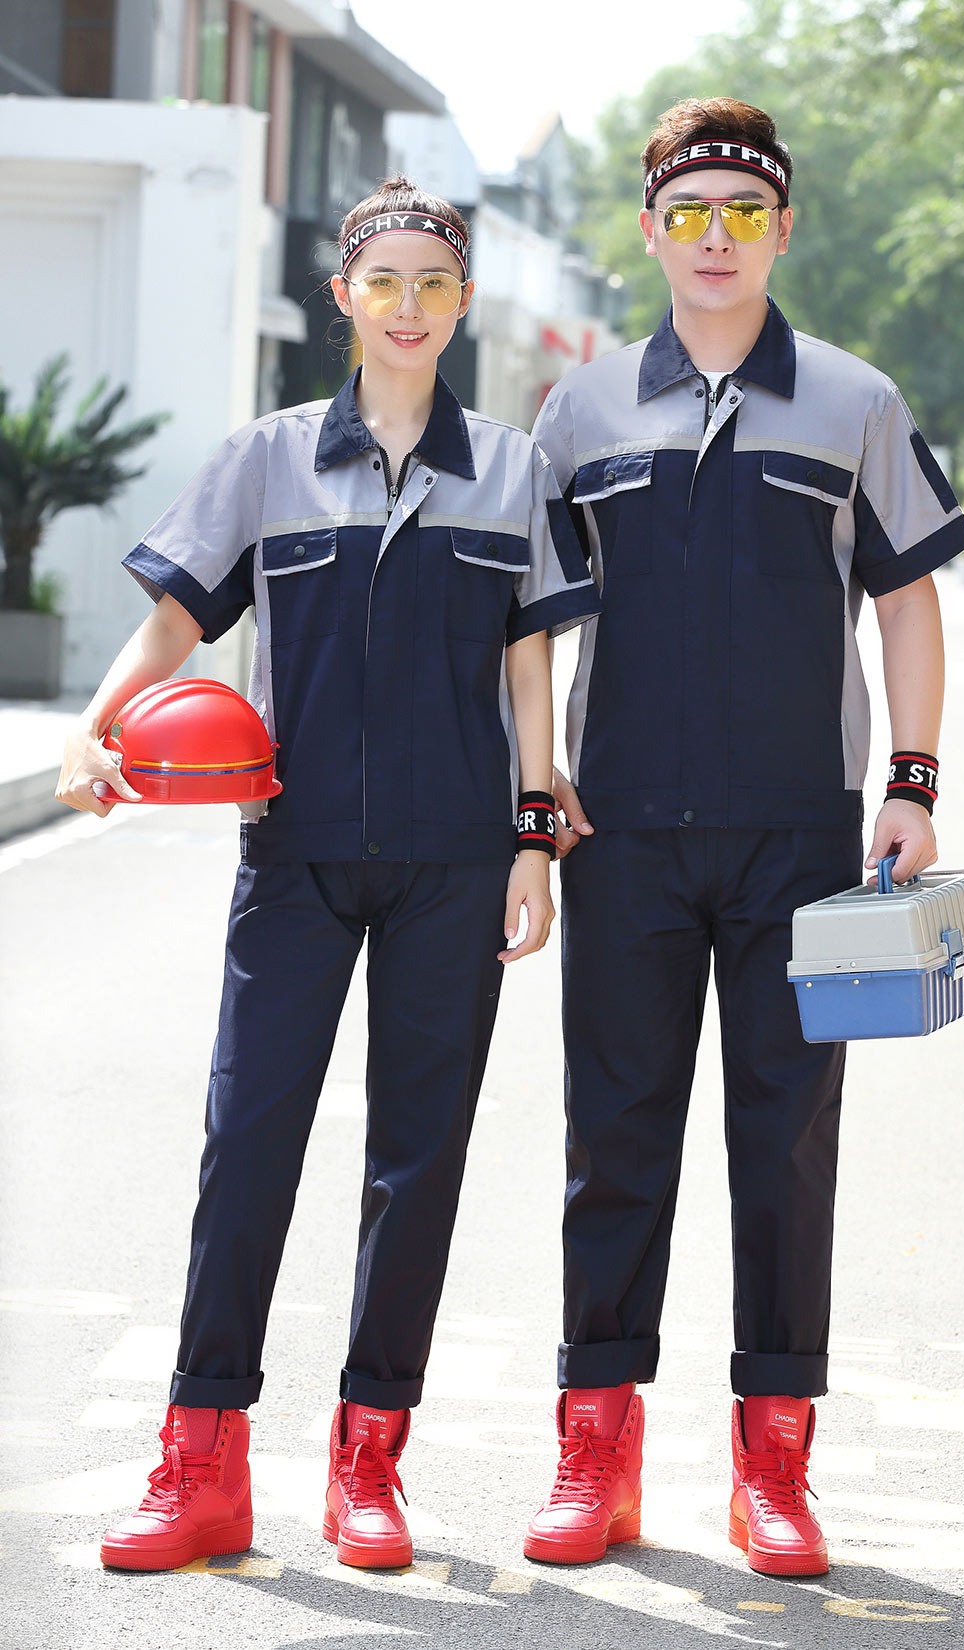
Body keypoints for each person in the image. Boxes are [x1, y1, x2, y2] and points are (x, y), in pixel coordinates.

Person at [56, 177, 599, 1574]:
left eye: (435, 282)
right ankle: (202, 1461)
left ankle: (370, 1461)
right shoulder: (267, 458)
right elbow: (175, 620)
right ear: (343, 297)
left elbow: (529, 660)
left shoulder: (512, 471)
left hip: (454, 859)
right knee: (248, 1140)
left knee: (417, 1160)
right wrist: (96, 722)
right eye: (385, 281)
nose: (409, 306)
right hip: (293, 857)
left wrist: (532, 837)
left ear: (463, 303)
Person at [523, 99, 964, 1576]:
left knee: (786, 1146)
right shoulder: (582, 411)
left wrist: (911, 783)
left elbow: (908, 598)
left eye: (743, 212)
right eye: (688, 212)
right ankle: (596, 1450)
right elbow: (527, 620)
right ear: (651, 232)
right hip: (622, 833)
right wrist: (533, 789)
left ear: (783, 230)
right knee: (613, 1140)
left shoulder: (854, 399)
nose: (714, 237)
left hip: (801, 837)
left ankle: (775, 1465)